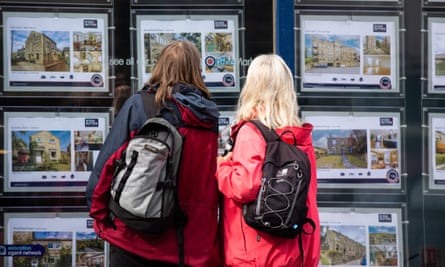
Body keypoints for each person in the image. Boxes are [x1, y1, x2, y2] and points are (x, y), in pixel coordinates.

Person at [86, 40, 222, 267]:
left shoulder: (140, 105)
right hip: (188, 244)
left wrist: (103, 217)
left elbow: (106, 167)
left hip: (135, 237)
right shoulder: (208, 117)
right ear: (196, 70)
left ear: (160, 66)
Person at [215, 54, 320, 267]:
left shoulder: (251, 132)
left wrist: (222, 166)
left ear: (252, 87)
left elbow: (244, 187)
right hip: (293, 253)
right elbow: (309, 199)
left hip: (252, 256)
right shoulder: (299, 138)